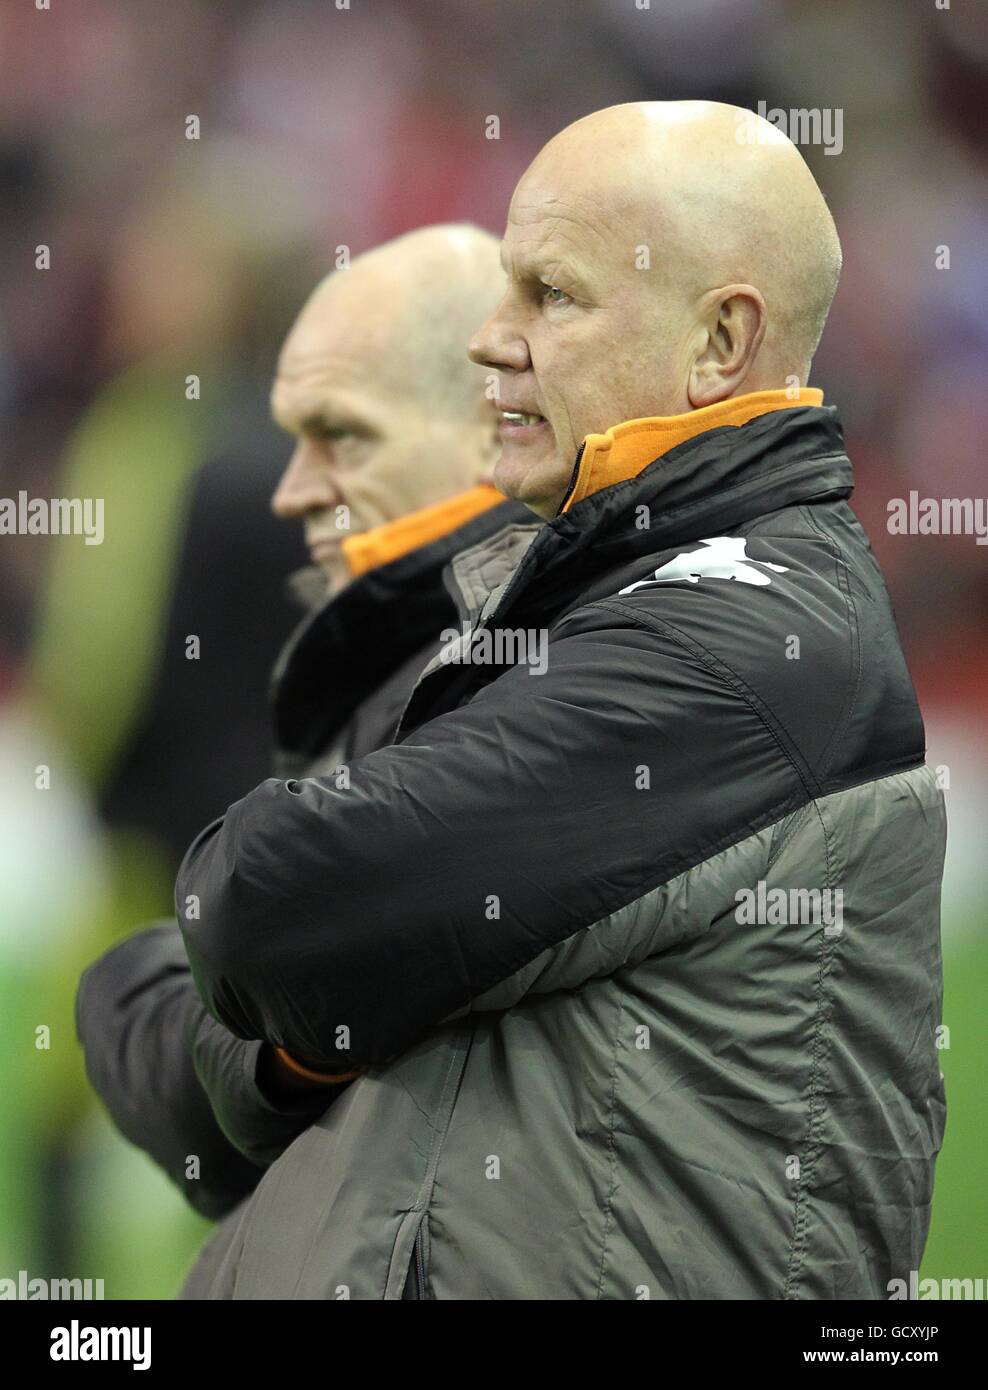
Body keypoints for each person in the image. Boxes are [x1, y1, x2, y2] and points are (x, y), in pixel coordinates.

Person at [176, 101, 946, 1301]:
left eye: (551, 295)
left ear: (719, 342)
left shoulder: (741, 637)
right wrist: (275, 1032)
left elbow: (270, 900)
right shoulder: (624, 586)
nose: (492, 340)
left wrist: (260, 1034)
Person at [75, 223, 530, 1225]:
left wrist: (127, 975)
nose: (297, 490)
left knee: (86, 1116)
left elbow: (102, 645)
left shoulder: (154, 431)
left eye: (346, 436)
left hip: (174, 824)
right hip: (232, 814)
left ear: (492, 428)